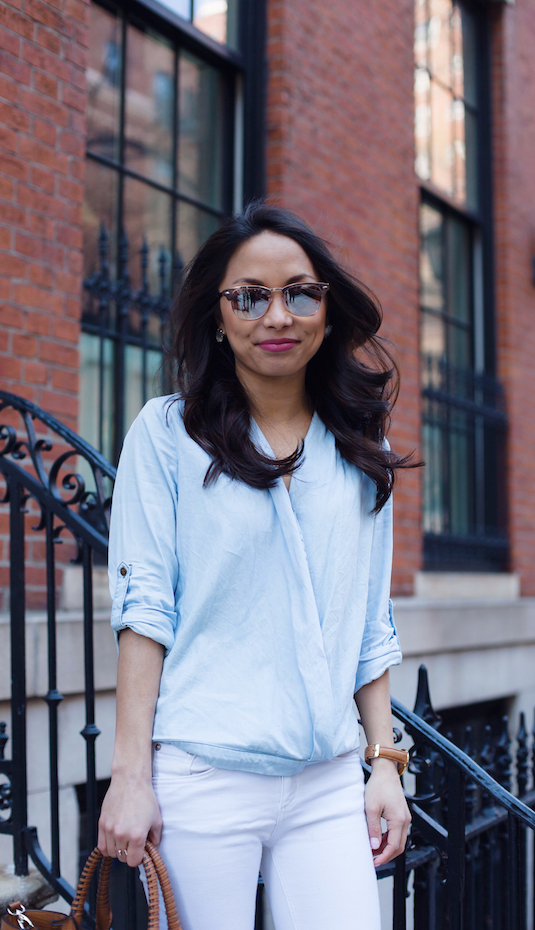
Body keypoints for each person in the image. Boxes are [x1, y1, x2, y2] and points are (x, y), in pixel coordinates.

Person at [98, 202, 414, 930]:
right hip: (204, 778)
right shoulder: (167, 434)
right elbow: (144, 609)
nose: (279, 315)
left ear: (327, 312)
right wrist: (130, 776)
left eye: (301, 293)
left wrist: (384, 765)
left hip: (327, 780)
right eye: (250, 296)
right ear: (218, 314)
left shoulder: (358, 445)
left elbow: (368, 620)